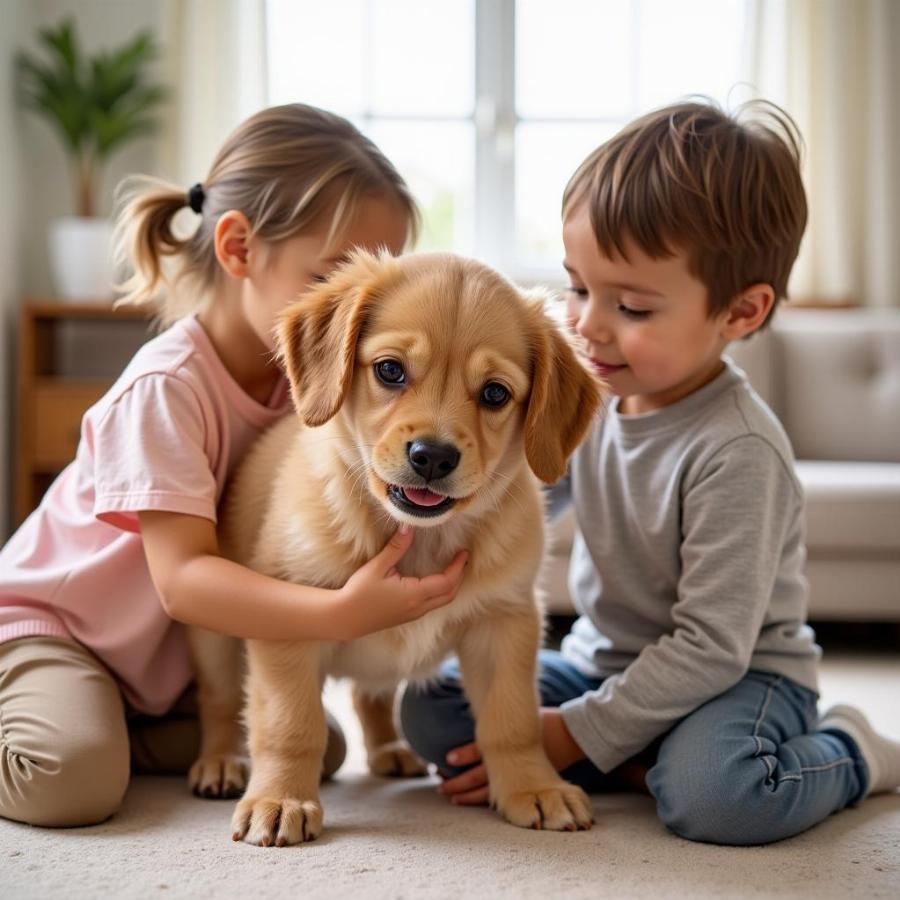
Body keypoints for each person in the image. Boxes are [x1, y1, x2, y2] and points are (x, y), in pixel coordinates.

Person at [400, 99, 900, 845]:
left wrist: (566, 738)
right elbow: (513, 496)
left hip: (741, 682)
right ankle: (639, 751)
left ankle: (854, 750)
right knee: (430, 705)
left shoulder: (739, 450)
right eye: (578, 288)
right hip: (601, 662)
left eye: (630, 305)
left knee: (716, 798)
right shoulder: (590, 401)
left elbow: (711, 648)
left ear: (739, 312)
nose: (589, 324)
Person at [0, 103, 467, 828]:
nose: (362, 301)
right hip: (58, 632)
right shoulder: (166, 388)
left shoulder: (326, 380)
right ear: (239, 249)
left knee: (317, 745)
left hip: (164, 667)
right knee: (67, 780)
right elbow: (185, 583)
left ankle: (114, 729)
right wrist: (340, 614)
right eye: (335, 272)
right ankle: (74, 729)